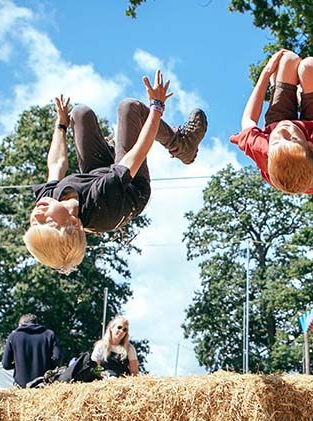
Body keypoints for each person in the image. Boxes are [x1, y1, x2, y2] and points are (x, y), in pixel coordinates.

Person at [24, 70, 207, 273]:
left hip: (99, 173)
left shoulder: (50, 199)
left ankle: (112, 149)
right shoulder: (101, 202)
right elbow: (137, 153)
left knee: (79, 114)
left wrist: (61, 125)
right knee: (130, 108)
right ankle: (182, 144)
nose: (38, 213)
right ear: (74, 223)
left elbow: (56, 163)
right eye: (46, 220)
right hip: (131, 185)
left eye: (34, 221)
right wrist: (157, 106)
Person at [230, 49, 313, 194]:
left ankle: (282, 87)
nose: (283, 129)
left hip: (276, 125)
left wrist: (266, 72)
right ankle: (298, 93)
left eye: (276, 141)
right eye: (291, 137)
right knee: (310, 65)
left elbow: (249, 119)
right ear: (311, 146)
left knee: (288, 59)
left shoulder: (263, 149)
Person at [2, 313, 61, 388]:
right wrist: (47, 364)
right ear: (36, 323)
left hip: (22, 387)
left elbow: (6, 364)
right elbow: (57, 358)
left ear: (20, 324)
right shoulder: (49, 334)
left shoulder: (13, 337)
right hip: (44, 385)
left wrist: (19, 364)